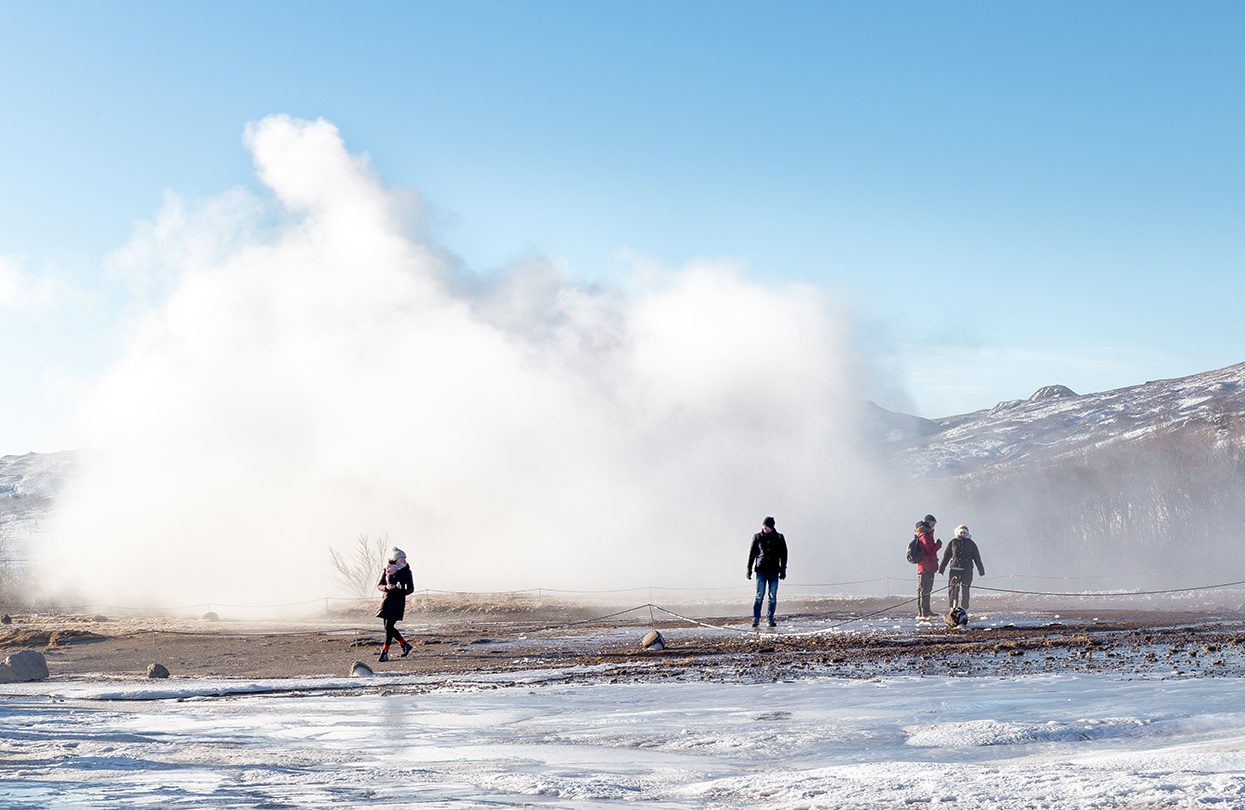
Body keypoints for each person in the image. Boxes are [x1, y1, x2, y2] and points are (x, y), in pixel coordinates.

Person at [746, 516, 788, 628]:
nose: (764, 528)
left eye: (767, 526)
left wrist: (783, 569)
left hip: (774, 570)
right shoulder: (757, 537)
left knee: (772, 595)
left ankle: (770, 618)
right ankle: (756, 619)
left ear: (772, 527)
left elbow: (784, 554)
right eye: (764, 525)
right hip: (761, 570)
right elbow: (752, 554)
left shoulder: (779, 537)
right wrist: (748, 568)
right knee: (759, 595)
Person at [376, 546, 415, 662]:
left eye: (404, 558)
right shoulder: (386, 569)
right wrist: (387, 587)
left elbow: (411, 588)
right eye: (401, 558)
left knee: (389, 627)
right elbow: (379, 585)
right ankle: (404, 645)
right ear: (395, 559)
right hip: (387, 601)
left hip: (398, 602)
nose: (404, 560)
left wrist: (400, 590)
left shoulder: (407, 571)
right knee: (388, 628)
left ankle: (384, 652)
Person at [939, 523, 985, 617]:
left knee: (965, 589)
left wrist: (981, 570)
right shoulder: (953, 542)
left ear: (967, 533)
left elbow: (977, 557)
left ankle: (964, 609)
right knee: (953, 589)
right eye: (961, 532)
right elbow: (946, 556)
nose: (963, 534)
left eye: (964, 532)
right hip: (954, 569)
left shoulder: (971, 544)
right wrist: (942, 568)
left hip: (967, 570)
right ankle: (952, 608)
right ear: (957, 533)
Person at [914, 514, 942, 619]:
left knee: (925, 590)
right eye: (932, 523)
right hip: (926, 566)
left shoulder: (923, 534)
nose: (934, 526)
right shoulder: (924, 535)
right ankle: (924, 611)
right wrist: (938, 544)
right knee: (924, 590)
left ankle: (925, 610)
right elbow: (930, 550)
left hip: (926, 566)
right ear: (928, 522)